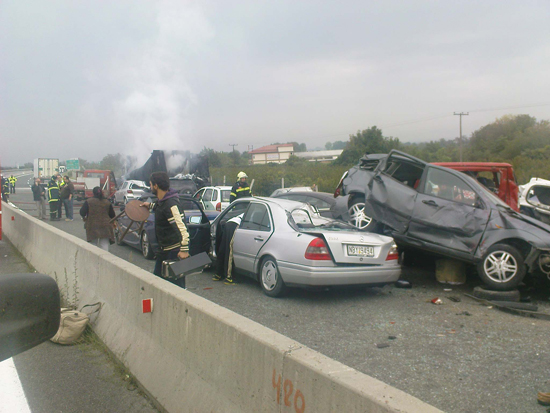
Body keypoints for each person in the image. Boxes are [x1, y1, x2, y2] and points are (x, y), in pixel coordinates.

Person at [140, 172, 190, 287]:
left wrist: (184, 249)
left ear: (156, 186)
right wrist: (150, 206)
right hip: (164, 252)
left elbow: (182, 228)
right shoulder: (162, 202)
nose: (150, 187)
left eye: (151, 184)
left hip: (174, 253)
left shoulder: (171, 204)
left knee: (177, 288)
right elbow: (160, 207)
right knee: (158, 284)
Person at [79, 186, 115, 251]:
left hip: (92, 225)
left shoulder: (89, 201)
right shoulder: (107, 202)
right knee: (104, 245)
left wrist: (84, 218)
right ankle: (104, 259)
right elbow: (112, 215)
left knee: (93, 245)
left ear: (93, 193)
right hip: (105, 225)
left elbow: (82, 212)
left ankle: (93, 259)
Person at [213, 213, 243, 284]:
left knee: (222, 249)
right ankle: (229, 277)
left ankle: (218, 274)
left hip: (229, 223)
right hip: (235, 225)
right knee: (229, 251)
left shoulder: (242, 213)